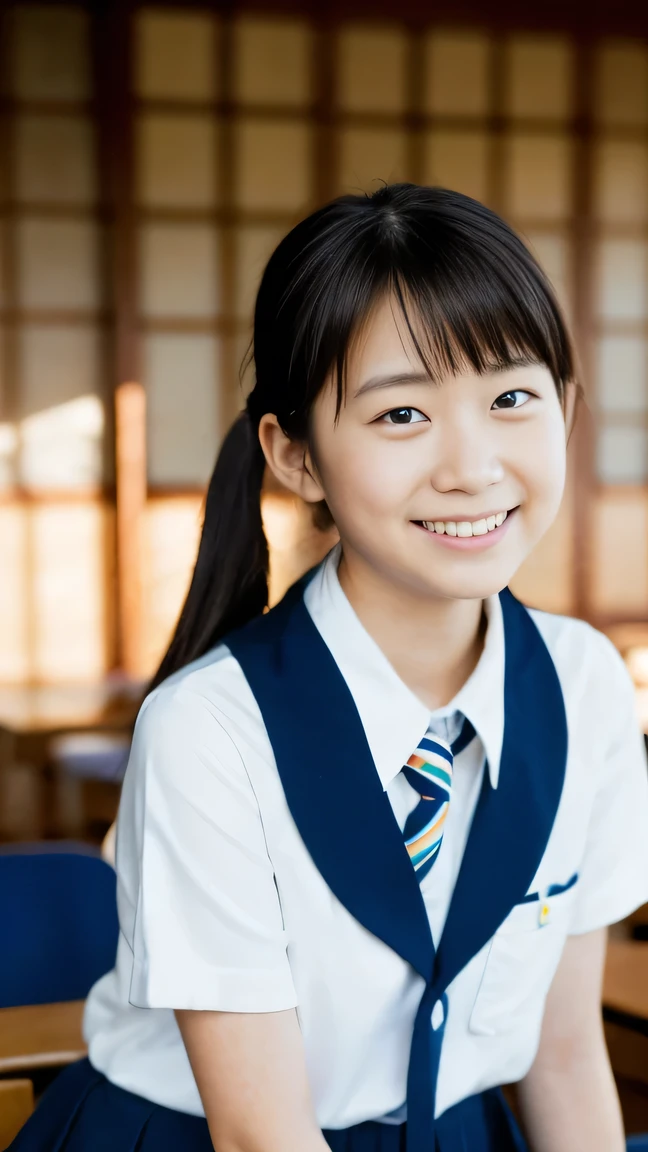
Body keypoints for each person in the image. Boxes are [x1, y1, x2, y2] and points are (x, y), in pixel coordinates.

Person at [12, 183, 648, 1152]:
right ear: (295, 456)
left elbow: (563, 1056)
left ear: (565, 409)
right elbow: (261, 1133)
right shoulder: (208, 732)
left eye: (512, 398)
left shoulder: (588, 687)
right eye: (402, 416)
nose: (473, 466)